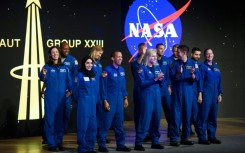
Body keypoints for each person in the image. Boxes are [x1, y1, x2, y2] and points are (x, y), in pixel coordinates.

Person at [39, 46, 73, 151]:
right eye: (53, 52)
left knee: (60, 121)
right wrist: (43, 75)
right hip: (50, 99)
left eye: (56, 52)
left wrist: (69, 91)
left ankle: (59, 142)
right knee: (50, 121)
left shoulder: (64, 68)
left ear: (59, 54)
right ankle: (51, 143)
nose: (55, 54)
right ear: (50, 55)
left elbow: (70, 82)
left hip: (61, 99)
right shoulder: (47, 67)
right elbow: (42, 77)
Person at [97, 51, 131, 152]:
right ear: (113, 58)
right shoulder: (106, 71)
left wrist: (125, 97)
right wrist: (105, 100)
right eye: (118, 57)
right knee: (105, 124)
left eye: (121, 57)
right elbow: (103, 87)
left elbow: (123, 86)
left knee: (119, 124)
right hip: (110, 100)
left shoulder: (122, 70)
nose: (120, 58)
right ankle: (102, 145)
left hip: (119, 101)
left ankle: (120, 145)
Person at [134, 48, 164, 151]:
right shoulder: (142, 68)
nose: (154, 58)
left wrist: (161, 79)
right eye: (152, 56)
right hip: (147, 97)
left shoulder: (157, 67)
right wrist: (155, 79)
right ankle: (138, 142)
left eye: (155, 56)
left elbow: (161, 83)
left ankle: (155, 141)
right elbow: (141, 84)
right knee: (145, 119)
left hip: (157, 96)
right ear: (147, 56)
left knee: (156, 119)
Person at [169, 45, 199, 146]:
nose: (176, 54)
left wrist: (193, 75)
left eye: (178, 52)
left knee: (187, 115)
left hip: (188, 91)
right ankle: (173, 139)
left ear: (184, 53)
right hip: (177, 90)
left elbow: (197, 77)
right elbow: (171, 78)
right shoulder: (174, 64)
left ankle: (184, 138)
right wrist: (178, 73)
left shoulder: (193, 63)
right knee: (175, 116)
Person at [197, 48, 223, 145]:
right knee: (203, 116)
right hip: (206, 95)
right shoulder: (202, 67)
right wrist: (200, 94)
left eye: (211, 54)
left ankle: (212, 137)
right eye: (207, 54)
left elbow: (219, 81)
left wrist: (220, 93)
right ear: (205, 55)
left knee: (213, 116)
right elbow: (200, 81)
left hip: (215, 95)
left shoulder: (216, 68)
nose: (209, 55)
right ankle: (202, 138)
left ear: (213, 54)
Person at [73, 56, 97, 153]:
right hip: (83, 103)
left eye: (91, 63)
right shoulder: (79, 75)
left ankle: (90, 147)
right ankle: (82, 148)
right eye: (87, 63)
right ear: (83, 64)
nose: (89, 65)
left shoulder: (93, 75)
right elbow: (75, 91)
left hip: (92, 103)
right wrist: (80, 101)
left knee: (92, 126)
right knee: (83, 126)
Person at [130, 43, 151, 142]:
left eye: (145, 49)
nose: (144, 51)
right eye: (141, 50)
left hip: (148, 89)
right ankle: (139, 133)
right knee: (139, 112)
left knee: (147, 112)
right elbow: (137, 65)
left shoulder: (148, 60)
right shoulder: (135, 60)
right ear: (138, 50)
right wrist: (142, 55)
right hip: (138, 90)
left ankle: (146, 133)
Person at [60, 41, 79, 132]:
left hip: (67, 91)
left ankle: (62, 132)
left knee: (67, 113)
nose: (66, 50)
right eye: (64, 48)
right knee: (54, 113)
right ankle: (49, 135)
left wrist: (71, 90)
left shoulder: (73, 60)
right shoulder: (55, 59)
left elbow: (75, 77)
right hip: (57, 90)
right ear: (60, 49)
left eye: (68, 49)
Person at [156, 43, 172, 137]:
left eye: (163, 49)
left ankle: (171, 131)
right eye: (160, 48)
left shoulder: (166, 59)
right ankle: (154, 133)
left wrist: (169, 86)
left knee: (169, 111)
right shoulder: (152, 58)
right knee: (156, 113)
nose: (162, 50)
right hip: (156, 88)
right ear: (156, 49)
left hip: (165, 89)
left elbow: (169, 74)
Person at [190, 47, 202, 136]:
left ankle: (197, 131)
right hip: (190, 92)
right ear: (191, 54)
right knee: (193, 113)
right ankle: (199, 132)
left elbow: (200, 80)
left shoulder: (200, 64)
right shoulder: (189, 63)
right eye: (196, 54)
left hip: (197, 92)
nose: (198, 56)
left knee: (196, 113)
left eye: (199, 55)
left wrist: (200, 93)